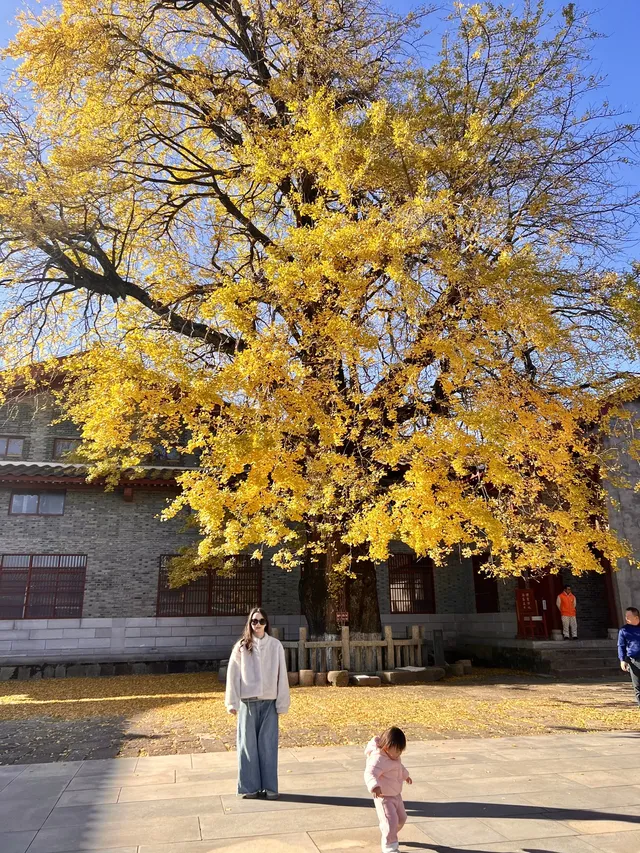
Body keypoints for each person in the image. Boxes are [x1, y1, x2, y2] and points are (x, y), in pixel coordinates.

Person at [225, 607, 290, 799]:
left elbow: (282, 676)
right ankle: (249, 787)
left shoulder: (275, 645)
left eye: (261, 621)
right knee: (247, 746)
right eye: (254, 621)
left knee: (268, 746)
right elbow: (233, 674)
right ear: (250, 623)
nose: (258, 625)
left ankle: (270, 787)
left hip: (269, 702)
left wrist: (282, 703)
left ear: (267, 623)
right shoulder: (241, 646)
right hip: (248, 702)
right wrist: (232, 702)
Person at [364, 726, 413, 853]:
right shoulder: (378, 759)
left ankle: (390, 834)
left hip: (396, 795)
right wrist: (374, 786)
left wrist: (406, 776)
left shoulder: (394, 757)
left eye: (400, 751)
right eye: (397, 751)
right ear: (387, 747)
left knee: (402, 818)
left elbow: (399, 768)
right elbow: (369, 773)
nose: (399, 754)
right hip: (384, 796)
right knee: (391, 821)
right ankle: (390, 847)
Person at [618, 606, 640, 707]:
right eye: (625, 616)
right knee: (638, 687)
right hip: (634, 661)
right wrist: (622, 659)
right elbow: (621, 645)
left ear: (636, 617)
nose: (626, 618)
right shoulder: (624, 630)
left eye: (628, 616)